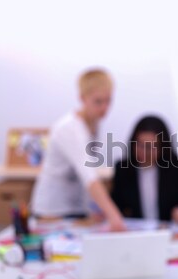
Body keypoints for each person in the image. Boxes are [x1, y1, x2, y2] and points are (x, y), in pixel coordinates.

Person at [31, 68, 126, 231]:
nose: (105, 108)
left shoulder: (94, 124)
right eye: (98, 101)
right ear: (82, 98)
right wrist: (114, 216)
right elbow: (89, 177)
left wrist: (95, 209)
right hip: (52, 212)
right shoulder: (69, 128)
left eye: (108, 101)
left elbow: (87, 174)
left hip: (75, 210)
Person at [111, 115, 178, 223]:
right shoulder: (123, 169)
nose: (144, 152)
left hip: (169, 234)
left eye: (150, 147)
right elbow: (116, 208)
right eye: (139, 145)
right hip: (135, 235)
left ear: (162, 147)